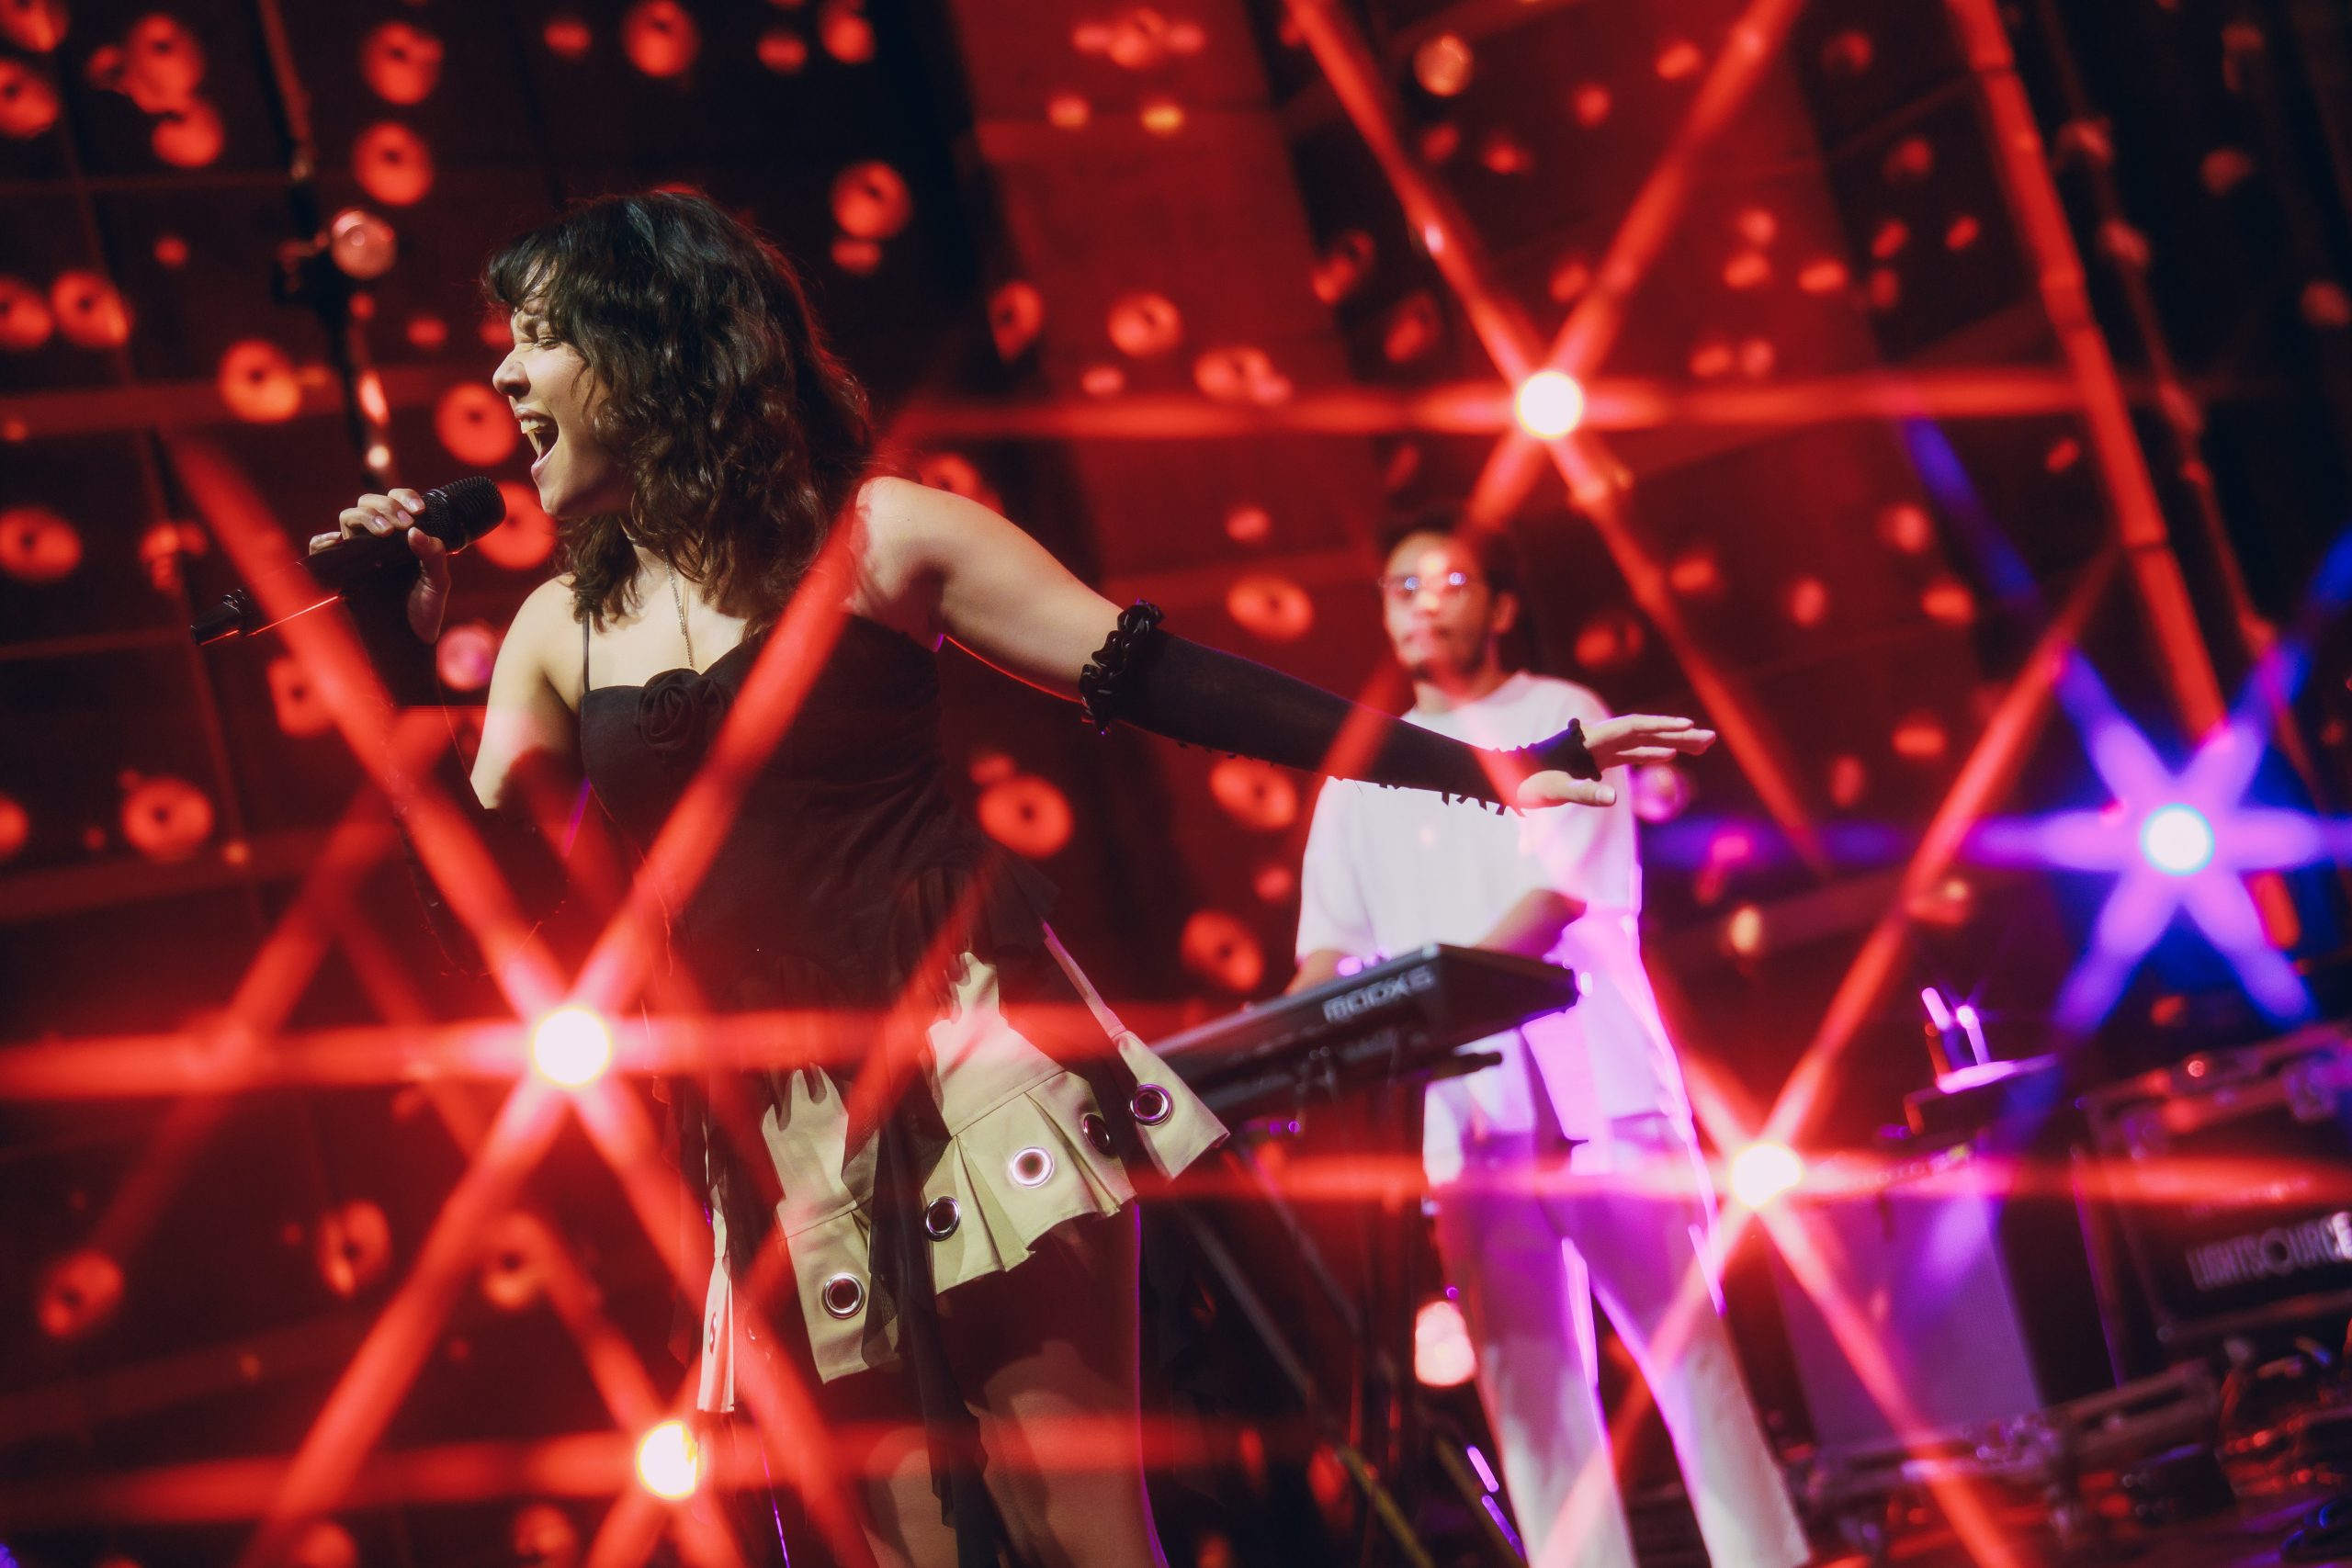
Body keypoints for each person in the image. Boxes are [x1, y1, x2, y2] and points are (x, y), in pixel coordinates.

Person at [323, 192, 1714, 1568]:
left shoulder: (879, 535)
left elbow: (1163, 678)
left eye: (541, 336)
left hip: (970, 1058)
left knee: (1080, 1532)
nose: (504, 375)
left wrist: (1485, 767)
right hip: (774, 1119)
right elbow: (497, 921)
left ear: (653, 346)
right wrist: (396, 666)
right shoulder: (556, 631)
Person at [1290, 513, 1808, 1568]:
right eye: (1400, 587)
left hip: (1598, 1094)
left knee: (1690, 1368)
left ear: (1501, 605)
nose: (1421, 603)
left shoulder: (1563, 716)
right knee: (1531, 1408)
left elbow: (1554, 897)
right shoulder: (1356, 774)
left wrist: (1410, 996)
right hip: (1467, 1124)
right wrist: (1284, 1039)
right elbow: (1324, 952)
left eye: (1447, 581)